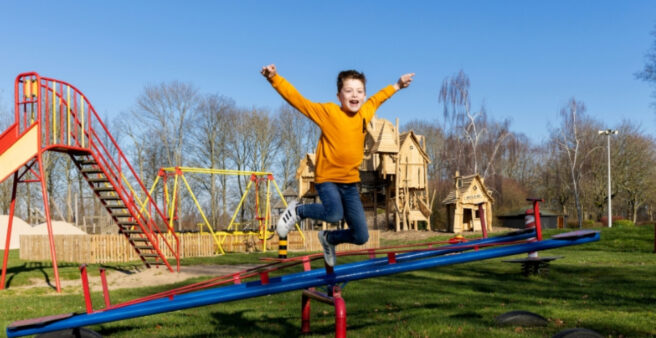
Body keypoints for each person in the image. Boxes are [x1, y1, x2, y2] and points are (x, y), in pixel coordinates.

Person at [261, 64, 414, 266]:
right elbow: (299, 101)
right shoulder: (329, 113)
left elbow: (378, 98)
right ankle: (298, 211)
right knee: (334, 213)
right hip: (327, 180)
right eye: (348, 91)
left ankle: (328, 239)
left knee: (361, 236)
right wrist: (274, 78)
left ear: (364, 95)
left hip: (350, 184)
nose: (354, 95)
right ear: (338, 95)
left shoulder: (365, 112)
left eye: (359, 91)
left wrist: (397, 85)